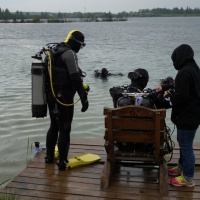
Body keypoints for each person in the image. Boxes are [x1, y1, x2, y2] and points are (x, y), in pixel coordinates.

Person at [45, 30, 89, 171]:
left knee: (54, 125)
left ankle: (49, 157)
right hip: (64, 96)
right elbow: (75, 78)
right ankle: (63, 162)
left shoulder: (53, 52)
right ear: (76, 42)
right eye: (81, 46)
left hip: (51, 94)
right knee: (65, 127)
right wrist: (83, 97)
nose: (80, 49)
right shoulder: (70, 54)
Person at [163, 44, 200, 187]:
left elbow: (181, 96)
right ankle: (181, 168)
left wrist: (168, 98)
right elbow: (186, 89)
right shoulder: (195, 69)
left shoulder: (184, 72)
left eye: (175, 59)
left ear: (180, 58)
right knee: (185, 143)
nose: (174, 63)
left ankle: (188, 178)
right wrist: (168, 88)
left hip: (187, 115)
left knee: (186, 146)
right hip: (194, 114)